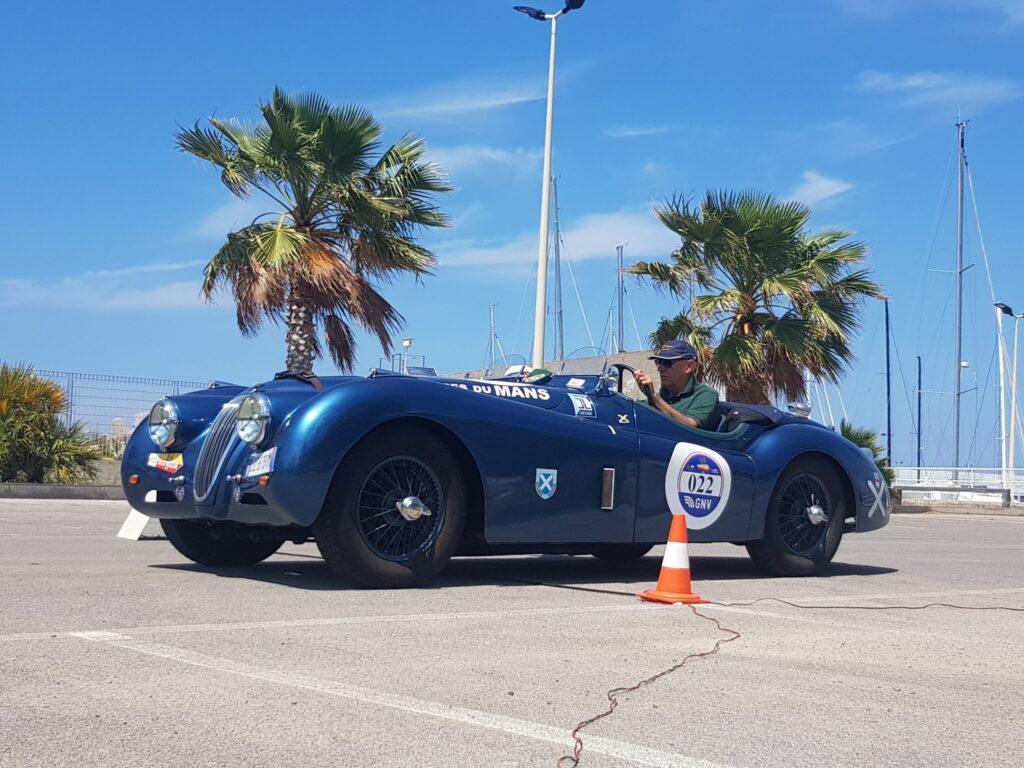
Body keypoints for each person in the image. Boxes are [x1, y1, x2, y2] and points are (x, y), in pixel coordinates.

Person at [634, 340, 720, 430]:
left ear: (689, 366)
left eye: (667, 363)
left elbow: (690, 426)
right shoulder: (662, 396)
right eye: (658, 362)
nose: (660, 368)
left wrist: (654, 397)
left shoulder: (706, 395)